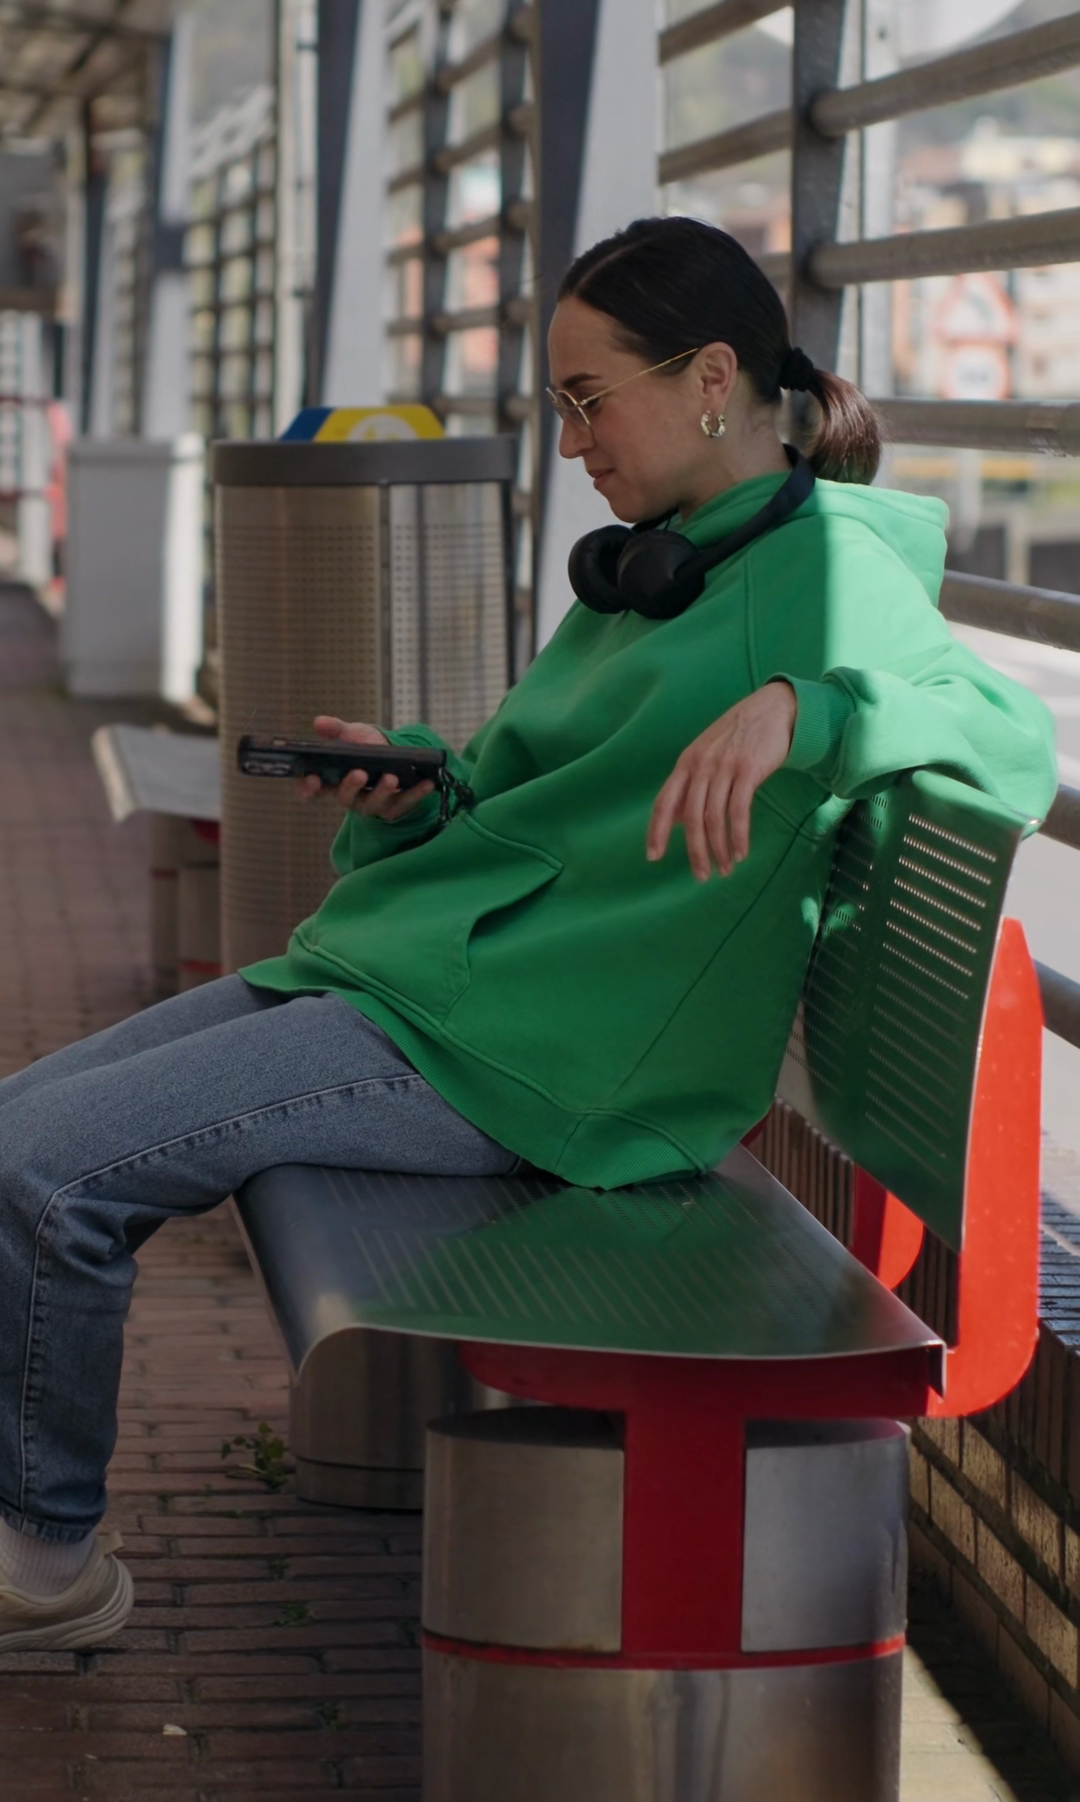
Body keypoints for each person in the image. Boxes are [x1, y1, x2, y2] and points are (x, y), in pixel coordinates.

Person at [0, 217, 1056, 1651]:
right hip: (430, 988)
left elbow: (1015, 737)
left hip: (534, 1058)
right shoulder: (660, 572)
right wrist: (413, 790)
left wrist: (814, 707)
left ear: (712, 379)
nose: (571, 444)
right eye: (559, 405)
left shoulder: (830, 575)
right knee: (18, 1133)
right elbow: (528, 800)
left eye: (588, 399)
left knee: (48, 1176)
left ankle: (43, 1568)